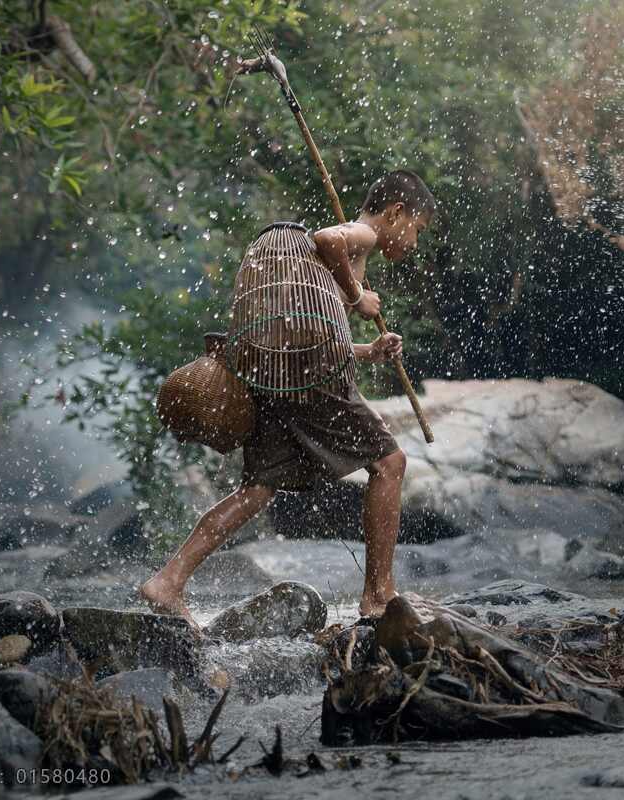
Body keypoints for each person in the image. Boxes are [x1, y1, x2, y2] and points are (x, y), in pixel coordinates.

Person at [140, 169, 436, 629]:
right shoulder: (362, 235)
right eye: (417, 229)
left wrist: (369, 351)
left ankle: (168, 581)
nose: (415, 243)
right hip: (308, 375)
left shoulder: (329, 271)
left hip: (279, 376)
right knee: (390, 464)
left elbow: (306, 334)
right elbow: (325, 238)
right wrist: (358, 297)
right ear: (396, 213)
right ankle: (379, 595)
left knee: (257, 490)